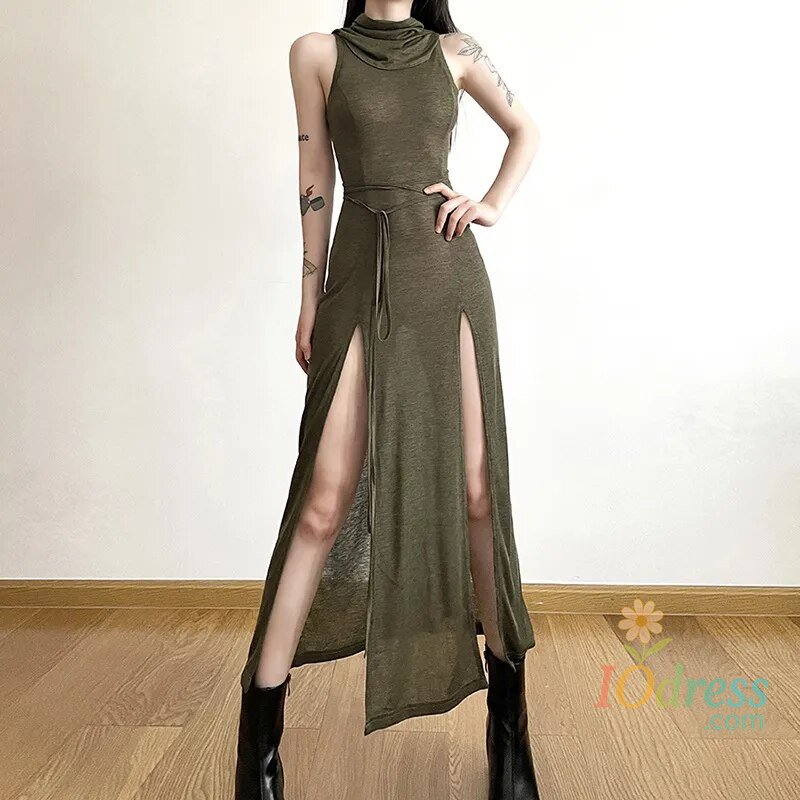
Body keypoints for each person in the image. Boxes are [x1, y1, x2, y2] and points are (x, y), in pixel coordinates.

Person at [234, 1, 541, 798]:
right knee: (322, 502)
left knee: (477, 493)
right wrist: (309, 298)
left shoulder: (457, 50)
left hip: (447, 275)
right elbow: (315, 178)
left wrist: (490, 202)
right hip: (358, 276)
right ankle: (258, 746)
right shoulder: (316, 52)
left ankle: (510, 733)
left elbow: (525, 130)